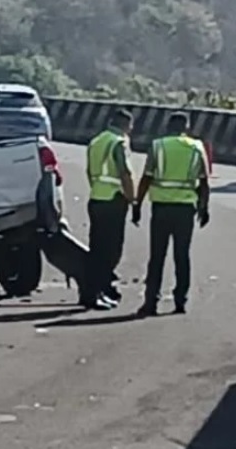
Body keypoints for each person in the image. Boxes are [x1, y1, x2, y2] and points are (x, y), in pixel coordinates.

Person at [131, 112, 210, 317]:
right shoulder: (196, 147)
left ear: (168, 126)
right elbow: (204, 182)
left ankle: (151, 302)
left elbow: (146, 178)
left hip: (161, 208)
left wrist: (137, 204)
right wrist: (204, 208)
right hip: (185, 209)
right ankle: (180, 301)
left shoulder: (158, 146)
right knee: (181, 256)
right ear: (186, 127)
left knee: (157, 256)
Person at [84, 109, 135, 310]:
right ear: (126, 125)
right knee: (110, 252)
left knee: (96, 249)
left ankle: (96, 291)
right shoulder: (118, 142)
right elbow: (125, 173)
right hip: (113, 200)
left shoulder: (97, 141)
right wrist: (133, 199)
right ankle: (95, 294)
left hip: (96, 198)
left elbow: (89, 171)